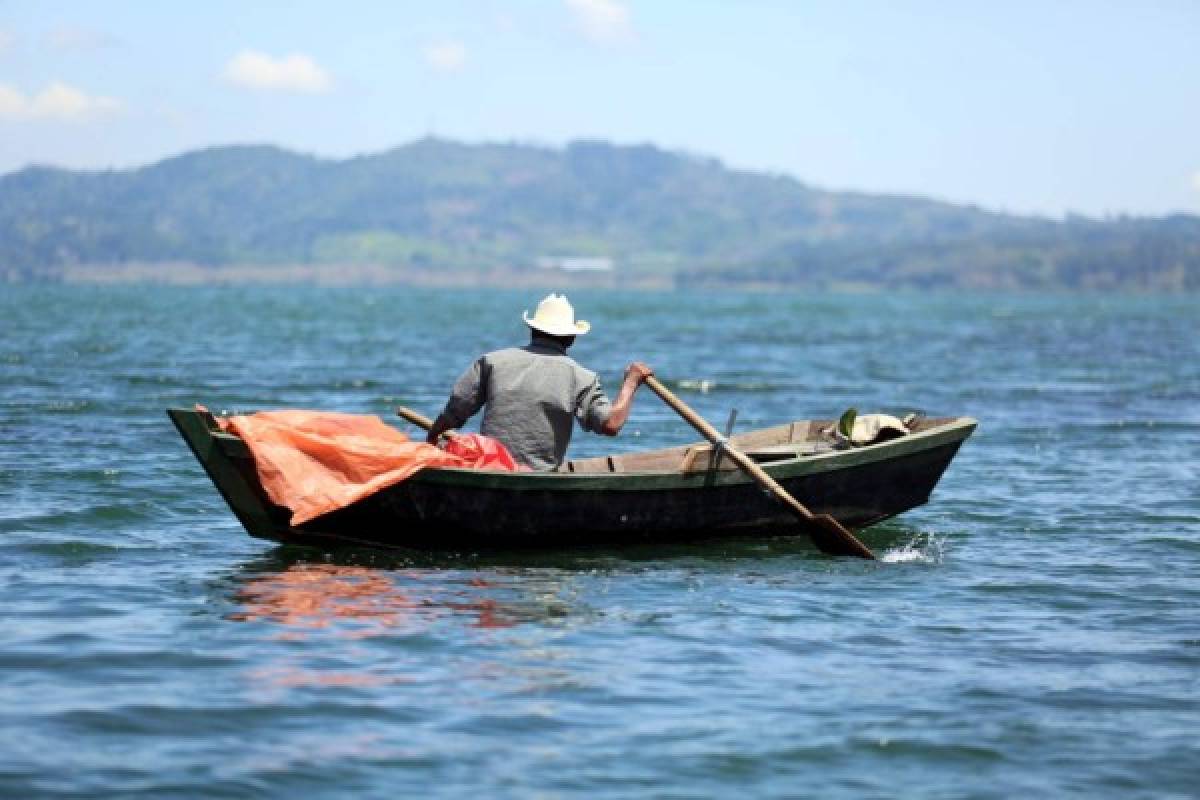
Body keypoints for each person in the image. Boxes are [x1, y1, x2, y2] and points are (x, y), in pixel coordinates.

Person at [426, 293, 653, 471]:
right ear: (572, 338)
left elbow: (454, 411)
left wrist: (431, 440)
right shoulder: (581, 377)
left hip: (489, 469)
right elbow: (611, 424)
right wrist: (630, 383)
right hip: (537, 475)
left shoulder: (493, 362)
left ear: (533, 330)